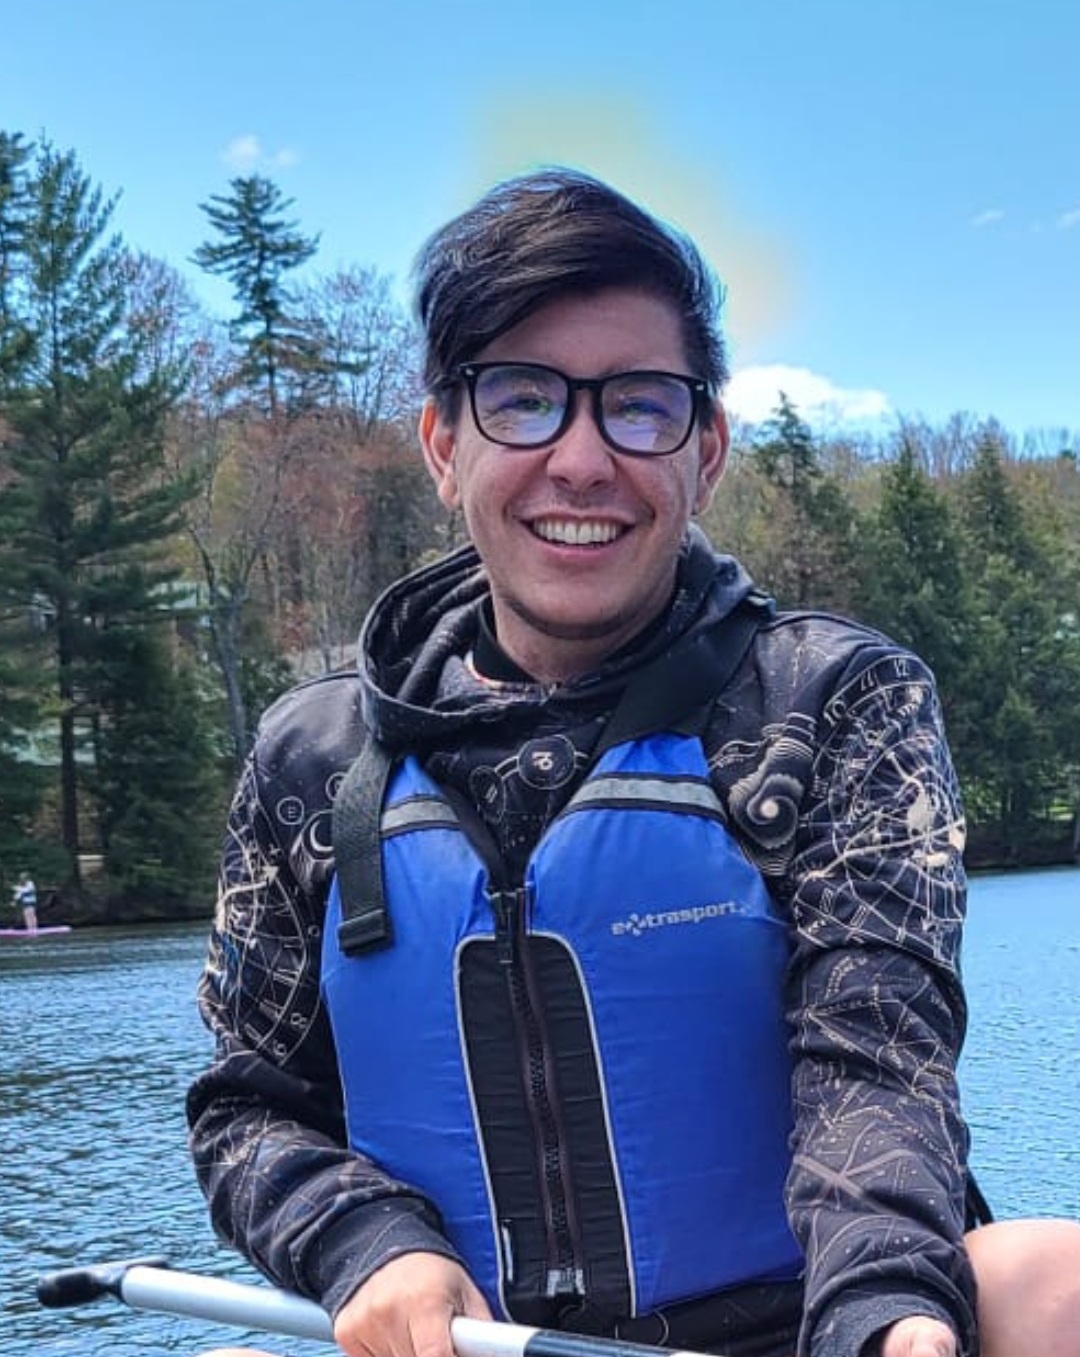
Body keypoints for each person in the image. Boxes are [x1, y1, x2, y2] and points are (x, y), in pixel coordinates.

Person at [187, 168, 1080, 1357]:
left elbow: (876, 1053)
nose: (581, 459)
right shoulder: (311, 763)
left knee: (1054, 1282)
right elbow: (249, 1107)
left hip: (799, 1330)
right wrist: (366, 1243)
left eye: (640, 406)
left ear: (706, 451)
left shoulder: (831, 703)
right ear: (444, 446)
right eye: (522, 399)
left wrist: (882, 1312)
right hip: (473, 1347)